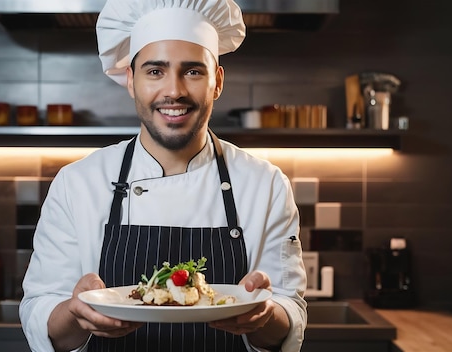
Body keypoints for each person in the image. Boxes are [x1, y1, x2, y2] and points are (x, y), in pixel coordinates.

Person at [19, 0, 307, 351]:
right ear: (130, 80)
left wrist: (264, 314)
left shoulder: (266, 185)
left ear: (217, 81)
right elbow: (41, 315)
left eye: (193, 71)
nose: (174, 91)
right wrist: (76, 314)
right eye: (155, 71)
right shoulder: (77, 183)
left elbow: (290, 316)